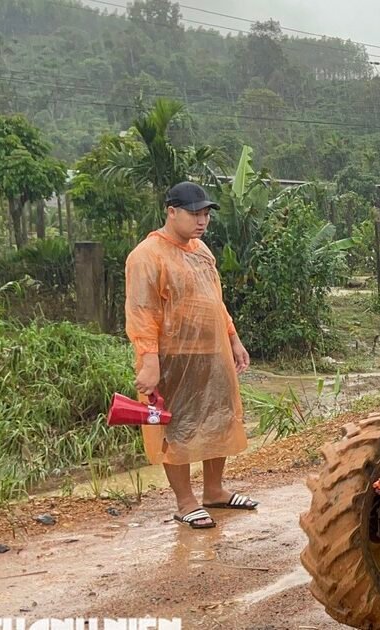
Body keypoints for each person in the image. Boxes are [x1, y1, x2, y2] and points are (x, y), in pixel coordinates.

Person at [125, 182, 255, 530]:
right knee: (176, 425)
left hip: (212, 350)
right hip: (173, 354)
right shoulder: (146, 255)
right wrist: (149, 360)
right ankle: (185, 502)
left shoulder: (201, 251)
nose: (202, 221)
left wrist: (234, 339)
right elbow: (142, 311)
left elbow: (215, 300)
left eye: (206, 214)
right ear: (171, 211)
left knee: (219, 415)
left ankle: (215, 490)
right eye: (195, 213)